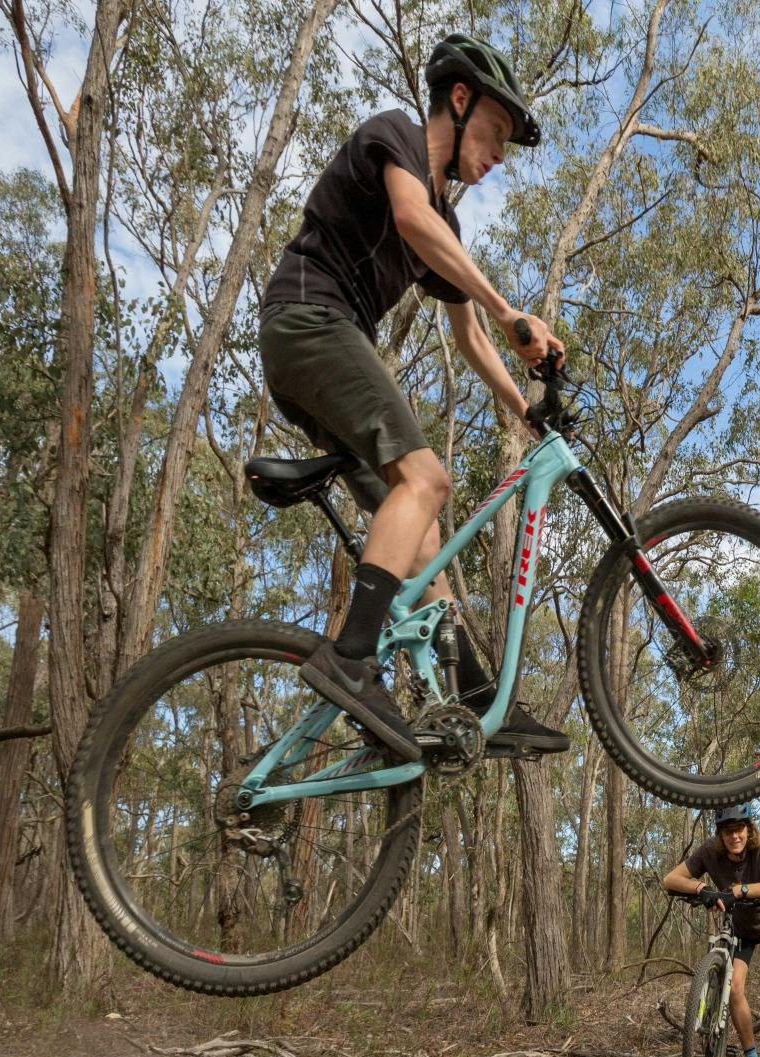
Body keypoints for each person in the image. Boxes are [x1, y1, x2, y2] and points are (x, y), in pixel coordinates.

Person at [258, 34, 569, 762]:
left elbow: (469, 338)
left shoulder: (447, 227)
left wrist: (522, 408)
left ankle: (470, 693)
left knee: (423, 535)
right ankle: (351, 659)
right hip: (308, 320)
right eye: (495, 134)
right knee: (429, 477)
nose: (497, 157)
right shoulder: (394, 135)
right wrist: (510, 309)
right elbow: (411, 220)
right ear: (458, 102)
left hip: (318, 346)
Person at [662, 803, 760, 1057]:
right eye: (728, 831)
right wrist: (702, 889)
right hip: (742, 924)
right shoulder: (709, 852)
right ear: (720, 835)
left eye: (739, 830)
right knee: (734, 987)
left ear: (749, 830)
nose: (734, 836)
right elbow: (670, 879)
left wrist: (740, 891)